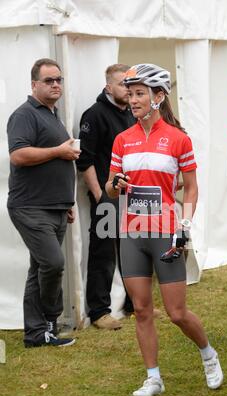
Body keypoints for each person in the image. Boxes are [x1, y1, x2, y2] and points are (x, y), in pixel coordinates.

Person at [105, 63, 223, 396]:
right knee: (141, 309)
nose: (133, 100)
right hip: (131, 233)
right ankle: (153, 377)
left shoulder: (178, 139)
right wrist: (115, 184)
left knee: (176, 312)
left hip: (166, 232)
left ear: (159, 96)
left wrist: (185, 226)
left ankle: (208, 354)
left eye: (140, 94)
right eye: (130, 94)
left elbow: (192, 188)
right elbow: (110, 189)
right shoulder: (122, 140)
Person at [7, 58, 79, 347]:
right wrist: (59, 151)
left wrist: (66, 203)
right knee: (52, 263)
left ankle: (36, 334)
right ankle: (51, 320)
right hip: (30, 207)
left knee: (38, 269)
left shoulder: (53, 114)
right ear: (34, 84)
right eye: (49, 80)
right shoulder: (25, 114)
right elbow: (18, 155)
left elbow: (57, 161)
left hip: (56, 207)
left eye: (59, 80)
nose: (55, 85)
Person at [76, 64, 137, 330]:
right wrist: (102, 197)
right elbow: (85, 161)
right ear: (108, 87)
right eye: (123, 84)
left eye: (131, 84)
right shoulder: (95, 115)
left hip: (131, 197)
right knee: (102, 253)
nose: (129, 89)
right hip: (107, 198)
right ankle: (99, 311)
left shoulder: (133, 114)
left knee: (133, 252)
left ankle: (135, 304)